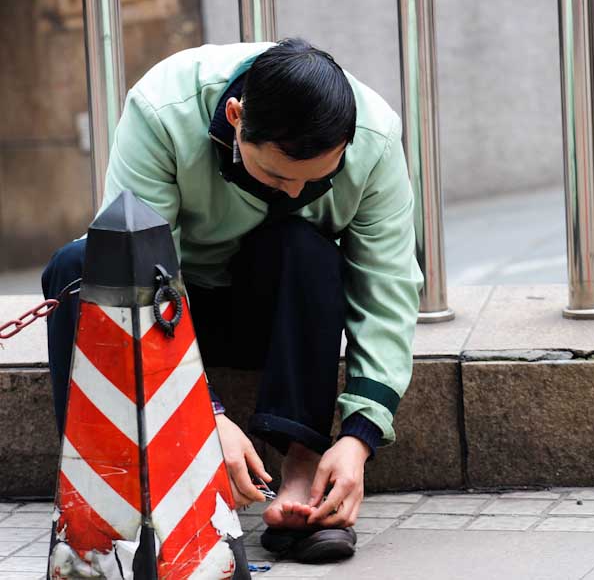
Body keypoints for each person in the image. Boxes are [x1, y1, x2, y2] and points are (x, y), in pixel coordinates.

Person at [41, 38, 423, 563]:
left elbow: (388, 288)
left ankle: (303, 480)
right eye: (276, 176)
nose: (293, 193)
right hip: (175, 304)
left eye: (316, 180)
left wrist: (359, 436)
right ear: (237, 118)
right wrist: (205, 415)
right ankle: (109, 493)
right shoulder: (161, 107)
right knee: (80, 266)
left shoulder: (377, 138)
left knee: (309, 247)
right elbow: (141, 271)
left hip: (270, 318)